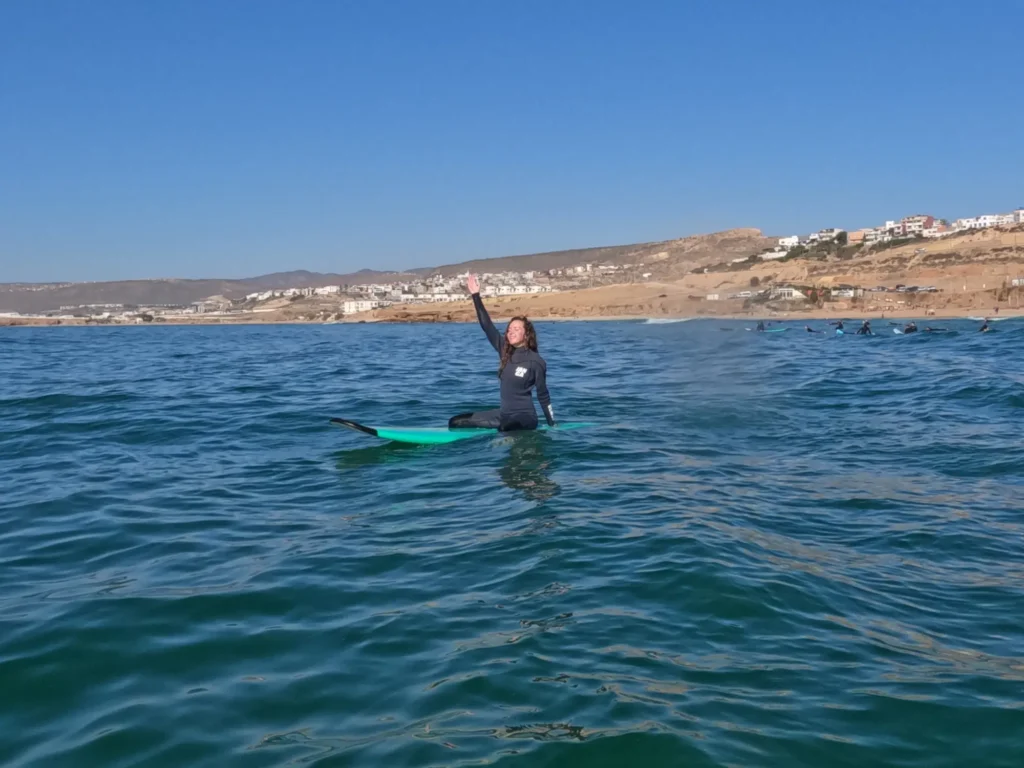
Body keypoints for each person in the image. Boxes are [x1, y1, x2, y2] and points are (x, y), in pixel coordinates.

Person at [448, 274, 555, 431]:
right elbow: (487, 326)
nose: (511, 332)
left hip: (525, 418)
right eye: (509, 329)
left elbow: (543, 395)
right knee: (455, 422)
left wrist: (553, 425)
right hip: (504, 415)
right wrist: (475, 295)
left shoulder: (535, 361)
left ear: (526, 334)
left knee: (506, 427)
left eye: (516, 329)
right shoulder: (505, 350)